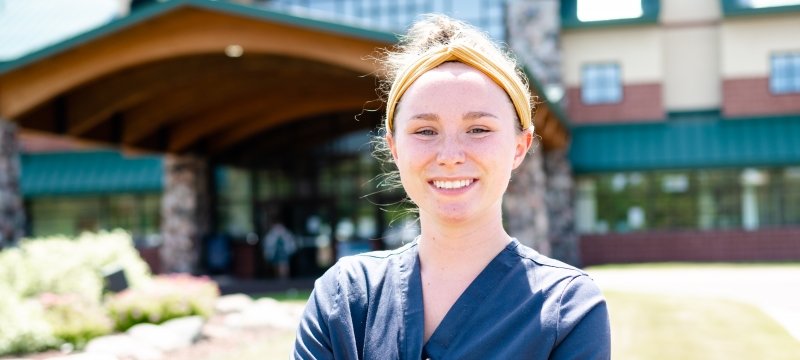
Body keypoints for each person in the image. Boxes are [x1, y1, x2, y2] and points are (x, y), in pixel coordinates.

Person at [294, 14, 610, 359]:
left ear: (519, 147)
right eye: (425, 131)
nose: (449, 156)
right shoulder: (345, 297)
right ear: (395, 148)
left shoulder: (567, 307)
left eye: (478, 129)